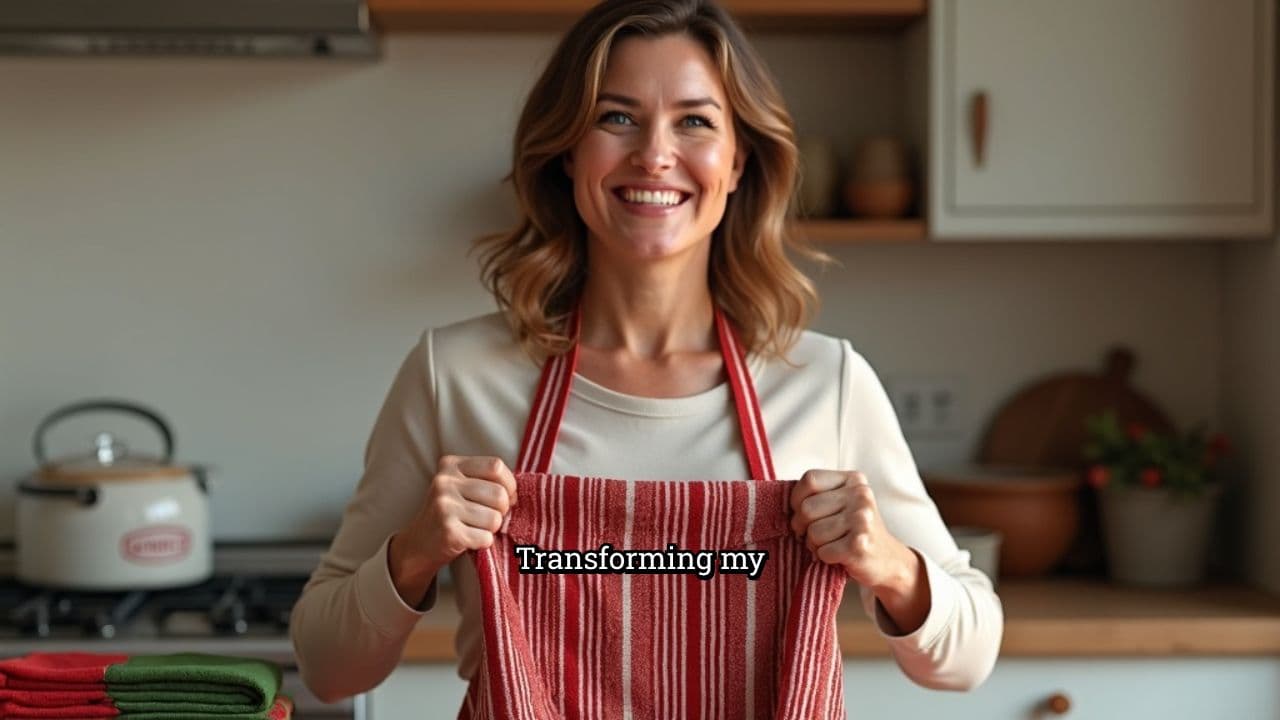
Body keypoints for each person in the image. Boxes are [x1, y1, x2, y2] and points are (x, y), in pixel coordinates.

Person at [290, 0, 1003, 710]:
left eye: (694, 120)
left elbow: (968, 658)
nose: (655, 154)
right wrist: (413, 552)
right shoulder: (456, 375)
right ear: (568, 151)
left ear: (738, 160)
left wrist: (888, 564)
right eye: (616, 117)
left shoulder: (826, 382)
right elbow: (328, 669)